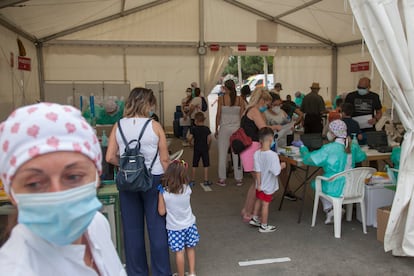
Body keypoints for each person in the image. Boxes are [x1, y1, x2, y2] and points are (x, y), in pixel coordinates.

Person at [0, 102, 126, 275]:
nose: (58, 193)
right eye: (34, 183)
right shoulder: (16, 270)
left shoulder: (96, 225)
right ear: (11, 193)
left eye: (73, 177)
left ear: (97, 176)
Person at [106, 87, 171, 276]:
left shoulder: (118, 126)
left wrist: (126, 167)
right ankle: (161, 272)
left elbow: (110, 157)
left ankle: (137, 272)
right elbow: (165, 160)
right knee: (157, 227)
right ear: (147, 104)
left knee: (132, 230)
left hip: (127, 182)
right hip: (154, 180)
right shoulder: (155, 126)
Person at [292, 120, 367, 224]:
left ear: (333, 133)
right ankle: (335, 209)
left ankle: (330, 209)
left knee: (315, 183)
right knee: (323, 182)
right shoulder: (353, 146)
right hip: (353, 187)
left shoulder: (329, 148)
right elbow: (362, 157)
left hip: (335, 188)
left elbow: (310, 159)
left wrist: (302, 147)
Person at [239, 87, 282, 222]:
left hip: (249, 149)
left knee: (256, 182)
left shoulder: (248, 110)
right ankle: (248, 211)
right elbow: (263, 129)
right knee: (257, 183)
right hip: (252, 149)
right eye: (266, 103)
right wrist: (275, 127)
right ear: (261, 100)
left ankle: (249, 210)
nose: (267, 106)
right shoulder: (254, 111)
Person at [157, 160, 200, 276]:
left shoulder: (165, 193)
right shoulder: (187, 189)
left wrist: (160, 193)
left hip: (174, 228)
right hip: (190, 224)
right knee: (190, 248)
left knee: (179, 253)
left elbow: (161, 212)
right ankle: (192, 273)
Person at [248, 127, 286, 233]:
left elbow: (257, 170)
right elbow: (276, 172)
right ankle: (264, 225)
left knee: (258, 200)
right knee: (266, 204)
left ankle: (255, 218)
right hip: (268, 185)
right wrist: (282, 166)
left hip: (259, 184)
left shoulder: (256, 153)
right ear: (270, 139)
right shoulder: (273, 156)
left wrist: (259, 184)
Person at [215, 79, 245, 186]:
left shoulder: (221, 99)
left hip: (224, 129)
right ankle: (239, 178)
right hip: (236, 129)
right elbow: (242, 116)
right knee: (237, 154)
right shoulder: (240, 99)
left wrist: (216, 129)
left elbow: (218, 115)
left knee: (222, 154)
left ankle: (222, 179)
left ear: (225, 88)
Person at [188, 112, 212, 186]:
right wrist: (208, 145)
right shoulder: (206, 129)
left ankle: (192, 180)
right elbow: (210, 138)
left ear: (196, 121)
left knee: (194, 164)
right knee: (206, 164)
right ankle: (206, 180)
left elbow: (189, 138)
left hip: (197, 148)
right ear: (203, 120)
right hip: (205, 148)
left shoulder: (194, 129)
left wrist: (191, 144)